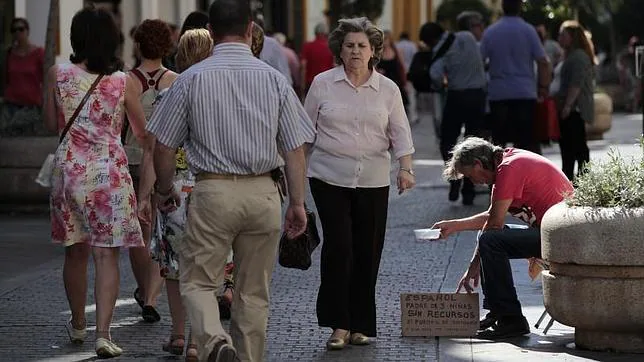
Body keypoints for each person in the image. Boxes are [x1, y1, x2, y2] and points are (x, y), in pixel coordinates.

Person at [146, 1, 315, 361]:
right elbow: (295, 150)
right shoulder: (274, 79)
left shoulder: (191, 79)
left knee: (197, 281)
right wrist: (298, 204)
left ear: (210, 30)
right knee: (254, 293)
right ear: (251, 29)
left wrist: (164, 190)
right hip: (264, 192)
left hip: (213, 191)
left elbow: (163, 147)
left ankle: (214, 340)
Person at [304, 17, 415, 350]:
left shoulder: (388, 89)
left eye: (361, 46)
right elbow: (305, 133)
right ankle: (338, 324)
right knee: (339, 246)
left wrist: (405, 168)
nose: (354, 51)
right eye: (349, 45)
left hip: (372, 180)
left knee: (367, 250)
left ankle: (360, 324)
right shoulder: (322, 84)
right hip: (328, 177)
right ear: (339, 49)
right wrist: (293, 172)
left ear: (373, 51)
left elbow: (400, 132)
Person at [42, 5, 147, 358]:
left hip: (68, 172)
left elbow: (47, 122)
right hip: (108, 175)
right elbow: (141, 132)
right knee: (107, 256)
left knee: (75, 251)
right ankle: (103, 333)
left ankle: (77, 323)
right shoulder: (123, 82)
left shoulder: (57, 74)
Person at [431, 137, 573, 339]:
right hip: (553, 232)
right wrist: (454, 226)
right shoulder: (506, 164)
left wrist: (474, 264)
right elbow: (492, 218)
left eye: (471, 176)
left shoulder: (509, 168)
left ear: (479, 164)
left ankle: (511, 319)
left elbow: (494, 224)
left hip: (562, 236)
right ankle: (498, 313)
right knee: (490, 238)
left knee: (491, 240)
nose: (474, 182)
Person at [138, 27, 214, 362]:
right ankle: (198, 340)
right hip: (213, 189)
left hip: (174, 191)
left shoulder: (168, 95)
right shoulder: (220, 93)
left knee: (173, 266)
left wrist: (151, 192)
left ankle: (178, 333)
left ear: (180, 56)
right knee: (207, 267)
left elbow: (156, 149)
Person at [124, 19, 178, 324]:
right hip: (165, 161)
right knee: (162, 230)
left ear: (138, 44)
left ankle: (145, 291)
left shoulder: (125, 81)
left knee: (139, 232)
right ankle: (153, 296)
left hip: (131, 159)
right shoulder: (177, 80)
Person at [422, 22, 486, 206]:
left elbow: (435, 74)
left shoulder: (440, 50)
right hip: (477, 96)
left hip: (457, 96)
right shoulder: (467, 36)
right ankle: (469, 188)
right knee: (473, 142)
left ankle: (454, 176)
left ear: (432, 40)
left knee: (447, 140)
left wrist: (442, 85)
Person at [480, 0, 551, 154]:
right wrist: (543, 87)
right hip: (524, 93)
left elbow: (480, 60)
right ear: (520, 7)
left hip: (498, 93)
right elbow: (543, 61)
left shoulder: (491, 31)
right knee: (526, 141)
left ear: (502, 8)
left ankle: (500, 175)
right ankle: (525, 176)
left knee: (499, 143)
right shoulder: (529, 31)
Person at [555, 20, 595, 181]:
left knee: (575, 148)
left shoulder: (578, 57)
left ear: (573, 37)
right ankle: (570, 181)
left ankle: (579, 181)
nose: (559, 38)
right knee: (570, 148)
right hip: (569, 108)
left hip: (574, 110)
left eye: (563, 35)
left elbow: (576, 84)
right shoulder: (570, 56)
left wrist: (568, 106)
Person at [1, 18, 44, 135]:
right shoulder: (9, 54)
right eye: (14, 30)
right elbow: (5, 79)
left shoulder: (39, 53)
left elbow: (45, 79)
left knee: (17, 133)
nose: (17, 33)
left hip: (31, 106)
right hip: (10, 104)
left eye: (21, 29)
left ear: (27, 31)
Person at [377, 30, 408, 108]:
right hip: (382, 84)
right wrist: (378, 71)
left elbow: (402, 67)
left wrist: (405, 82)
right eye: (383, 39)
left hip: (396, 82)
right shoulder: (378, 53)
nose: (385, 41)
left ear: (390, 39)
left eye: (386, 39)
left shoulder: (397, 52)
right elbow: (374, 67)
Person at [300, 22, 334, 94]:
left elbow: (303, 65)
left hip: (311, 83)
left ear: (315, 33)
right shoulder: (331, 47)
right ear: (326, 33)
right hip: (327, 83)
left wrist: (302, 84)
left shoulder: (307, 46)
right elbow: (334, 66)